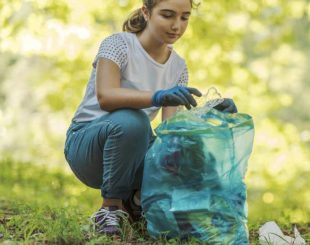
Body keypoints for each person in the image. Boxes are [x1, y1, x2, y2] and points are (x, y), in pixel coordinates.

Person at [63, 0, 237, 235]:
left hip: (131, 151)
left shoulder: (178, 66)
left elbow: (170, 130)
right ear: (146, 12)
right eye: (167, 15)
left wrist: (208, 113)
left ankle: (136, 203)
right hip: (88, 147)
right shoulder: (118, 45)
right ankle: (109, 210)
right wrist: (157, 96)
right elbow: (106, 96)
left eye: (184, 17)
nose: (177, 26)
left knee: (187, 149)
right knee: (133, 121)